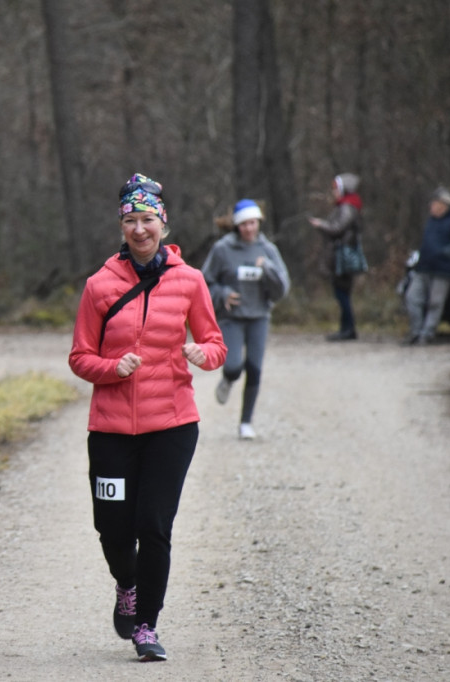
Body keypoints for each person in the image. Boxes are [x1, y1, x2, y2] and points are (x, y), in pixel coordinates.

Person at [68, 173, 226, 662]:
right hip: (111, 429)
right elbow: (78, 357)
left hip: (172, 425)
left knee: (154, 525)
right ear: (121, 226)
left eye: (148, 219)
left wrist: (204, 355)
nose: (140, 229)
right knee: (112, 527)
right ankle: (126, 583)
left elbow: (217, 344)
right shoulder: (98, 286)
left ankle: (146, 626)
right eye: (132, 220)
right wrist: (112, 369)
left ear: (164, 223)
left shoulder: (190, 281)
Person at [202, 199, 290, 440]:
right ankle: (228, 379)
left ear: (258, 222)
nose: (249, 229)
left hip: (259, 316)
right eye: (244, 224)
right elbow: (203, 283)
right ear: (237, 226)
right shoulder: (222, 249)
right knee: (232, 366)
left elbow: (282, 289)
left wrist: (268, 269)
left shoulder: (268, 250)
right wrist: (221, 294)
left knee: (255, 367)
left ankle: (245, 422)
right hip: (232, 318)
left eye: (253, 223)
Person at [309, 173, 364, 341]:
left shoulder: (347, 207)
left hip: (343, 257)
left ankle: (348, 329)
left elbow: (338, 228)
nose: (333, 192)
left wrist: (321, 225)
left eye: (335, 189)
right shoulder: (345, 206)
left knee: (342, 294)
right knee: (341, 293)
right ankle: (345, 328)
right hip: (340, 255)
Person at [402, 186, 450, 345]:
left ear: (443, 205)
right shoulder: (431, 220)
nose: (431, 206)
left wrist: (446, 252)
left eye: (434, 203)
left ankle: (427, 334)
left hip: (443, 270)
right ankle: (415, 332)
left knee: (435, 303)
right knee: (412, 298)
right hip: (423, 267)